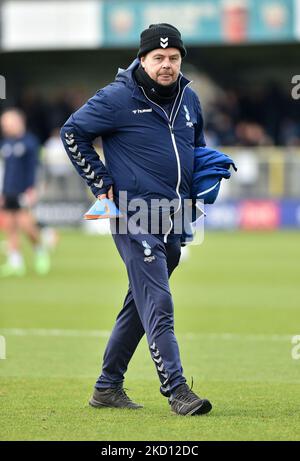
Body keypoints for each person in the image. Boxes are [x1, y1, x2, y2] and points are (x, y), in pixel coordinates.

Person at [61, 23, 212, 416]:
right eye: (158, 58)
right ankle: (177, 389)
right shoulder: (116, 97)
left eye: (174, 58)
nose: (167, 65)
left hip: (173, 217)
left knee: (140, 303)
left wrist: (202, 184)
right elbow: (72, 132)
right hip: (132, 213)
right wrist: (100, 182)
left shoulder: (190, 98)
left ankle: (107, 387)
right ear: (142, 59)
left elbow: (197, 149)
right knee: (158, 300)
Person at [0, 108, 50, 276]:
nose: (5, 127)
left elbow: (35, 168)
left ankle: (40, 249)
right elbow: (5, 170)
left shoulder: (30, 142)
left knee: (25, 224)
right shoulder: (6, 143)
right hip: (8, 190)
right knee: (10, 225)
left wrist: (33, 189)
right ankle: (15, 262)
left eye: (8, 123)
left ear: (19, 122)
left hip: (24, 190)